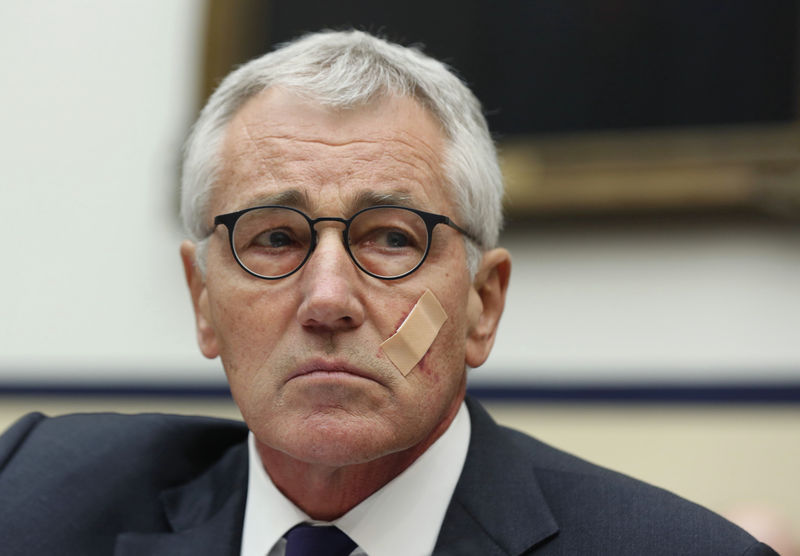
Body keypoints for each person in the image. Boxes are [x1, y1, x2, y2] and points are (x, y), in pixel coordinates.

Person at [0, 30, 777, 556]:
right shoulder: (35, 496)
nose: (328, 298)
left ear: (482, 303)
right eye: (274, 238)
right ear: (202, 299)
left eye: (390, 239)